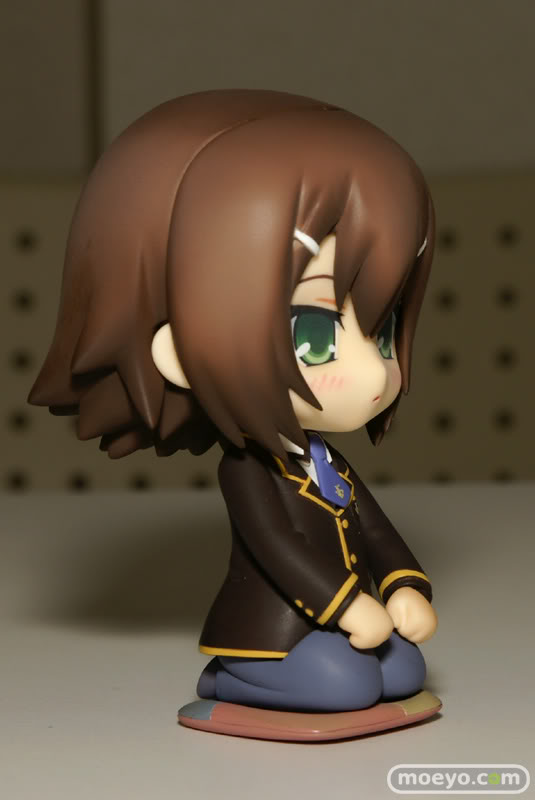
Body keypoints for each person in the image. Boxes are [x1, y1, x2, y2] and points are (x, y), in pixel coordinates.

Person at [29, 89, 437, 715]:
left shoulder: (324, 461)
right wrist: (349, 607)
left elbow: (375, 531)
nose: (372, 371)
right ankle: (228, 680)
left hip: (340, 625)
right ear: (181, 351)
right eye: (316, 336)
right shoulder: (248, 470)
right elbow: (278, 548)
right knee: (349, 686)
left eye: (382, 334)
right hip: (273, 635)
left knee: (404, 669)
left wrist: (404, 585)